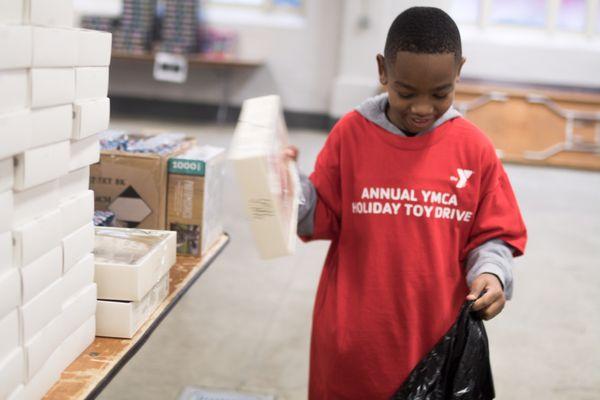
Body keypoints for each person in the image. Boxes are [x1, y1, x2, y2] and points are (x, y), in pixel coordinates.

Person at [284, 6, 528, 400]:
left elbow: (493, 234)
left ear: (459, 71)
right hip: (352, 346)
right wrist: (284, 187)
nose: (422, 108)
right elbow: (317, 215)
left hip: (434, 348)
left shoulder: (474, 149)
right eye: (405, 92)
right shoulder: (351, 134)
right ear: (383, 71)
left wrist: (493, 275)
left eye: (440, 93)